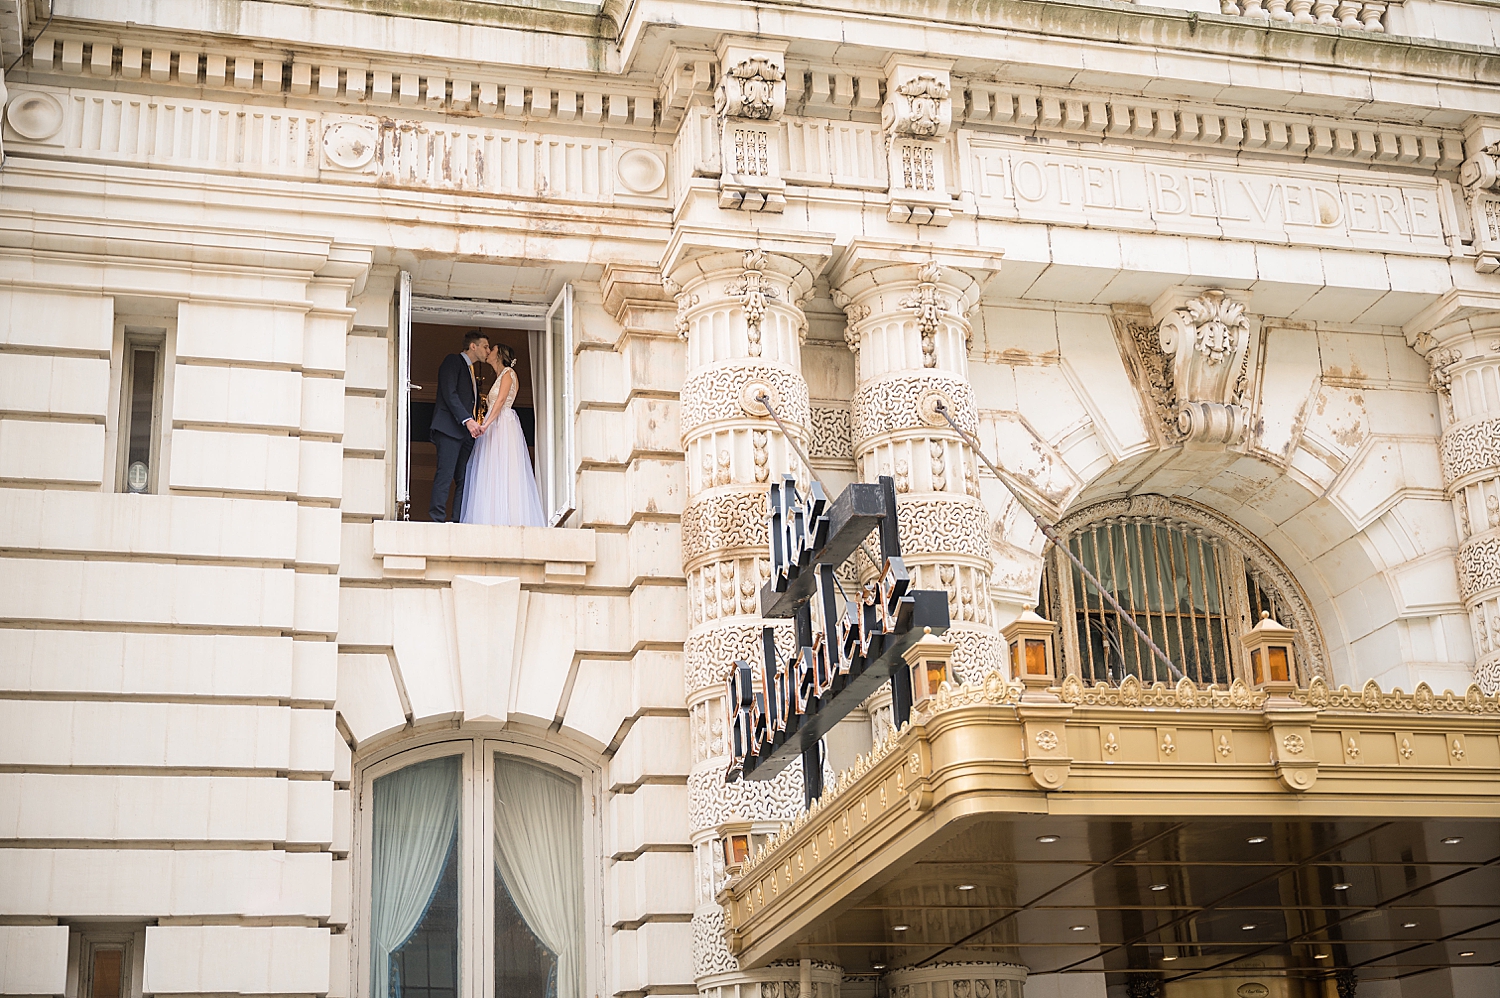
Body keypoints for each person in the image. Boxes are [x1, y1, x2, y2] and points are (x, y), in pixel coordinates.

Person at [461, 341, 547, 527]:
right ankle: (492, 516)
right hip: (495, 424)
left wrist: (485, 424)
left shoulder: (509, 373)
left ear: (499, 355)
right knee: (492, 469)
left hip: (502, 424)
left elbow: (500, 401)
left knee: (505, 467)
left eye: (492, 349)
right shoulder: (499, 376)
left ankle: (510, 517)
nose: (488, 351)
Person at [429, 329, 490, 522]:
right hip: (449, 429)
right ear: (473, 346)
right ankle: (437, 518)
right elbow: (450, 393)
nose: (488, 351)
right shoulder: (453, 361)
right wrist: (468, 420)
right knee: (445, 474)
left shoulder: (471, 370)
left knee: (466, 478)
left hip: (465, 433)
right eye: (485, 346)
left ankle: (459, 520)